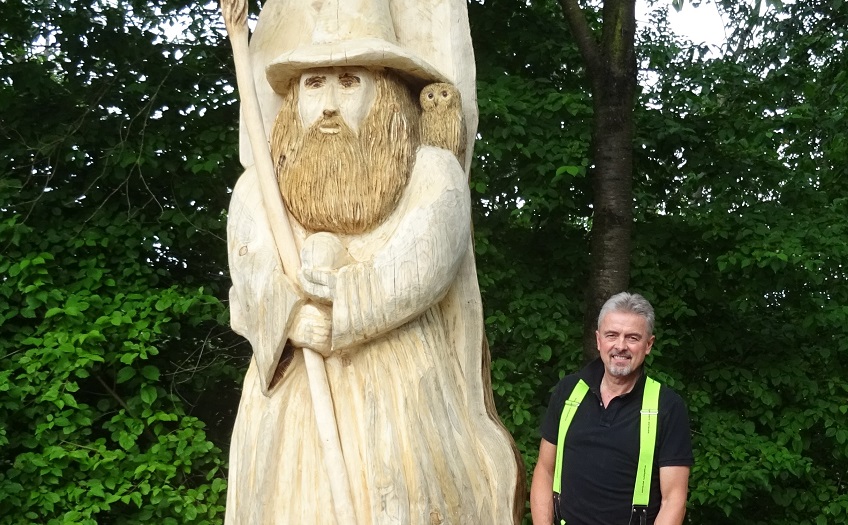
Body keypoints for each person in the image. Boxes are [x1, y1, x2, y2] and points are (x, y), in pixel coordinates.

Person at [223, 2, 522, 523]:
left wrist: (344, 310)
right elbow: (249, 273)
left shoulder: (431, 171)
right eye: (314, 84)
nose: (330, 104)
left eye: (348, 81)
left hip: (402, 398)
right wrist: (292, 317)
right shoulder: (259, 188)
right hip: (292, 397)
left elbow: (422, 265)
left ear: (382, 93)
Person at [530, 292, 693, 525]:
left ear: (648, 345)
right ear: (598, 341)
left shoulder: (666, 406)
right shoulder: (568, 391)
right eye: (612, 335)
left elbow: (674, 500)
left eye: (633, 338)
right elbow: (545, 471)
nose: (620, 346)